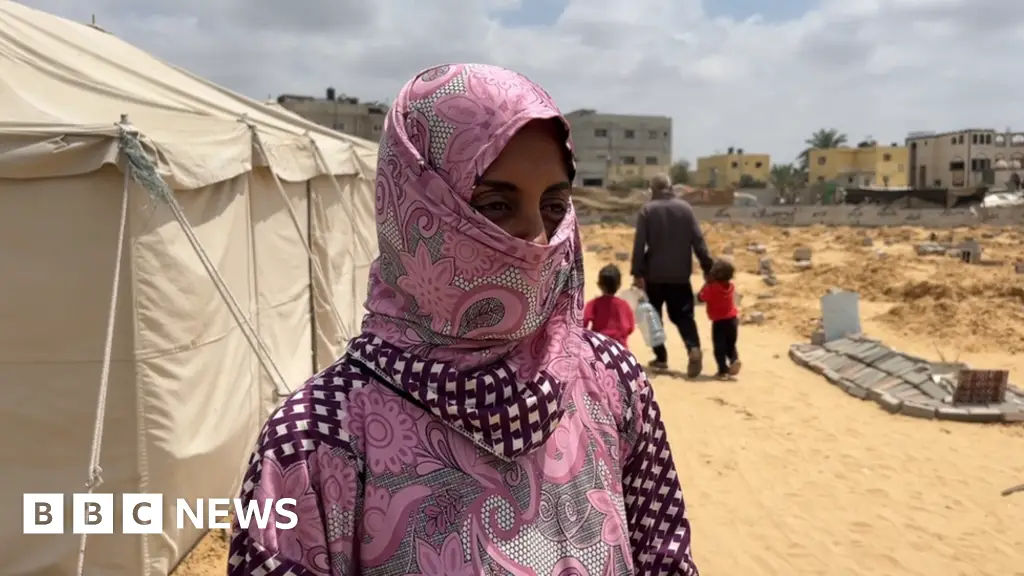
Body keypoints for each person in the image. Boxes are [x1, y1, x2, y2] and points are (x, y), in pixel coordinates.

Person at [228, 64, 699, 576]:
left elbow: (665, 558)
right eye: (495, 205)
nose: (537, 241)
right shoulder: (317, 441)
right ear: (415, 211)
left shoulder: (610, 383)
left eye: (553, 205)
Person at [630, 174, 714, 377]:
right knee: (684, 315)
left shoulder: (647, 210)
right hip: (680, 274)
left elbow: (640, 244)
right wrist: (707, 266)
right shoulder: (685, 209)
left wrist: (637, 273)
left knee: (652, 317)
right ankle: (693, 348)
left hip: (654, 275)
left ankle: (661, 358)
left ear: (653, 189)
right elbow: (698, 240)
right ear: (670, 187)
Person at [697, 259, 741, 379]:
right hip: (733, 320)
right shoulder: (731, 286)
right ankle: (734, 359)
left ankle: (722, 371)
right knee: (730, 344)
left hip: (719, 322)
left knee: (719, 347)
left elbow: (700, 298)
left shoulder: (712, 288)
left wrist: (706, 283)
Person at [583, 263, 635, 348]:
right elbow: (631, 328)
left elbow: (582, 322)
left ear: (599, 285)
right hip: (620, 349)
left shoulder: (593, 304)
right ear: (619, 285)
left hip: (599, 347)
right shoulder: (624, 305)